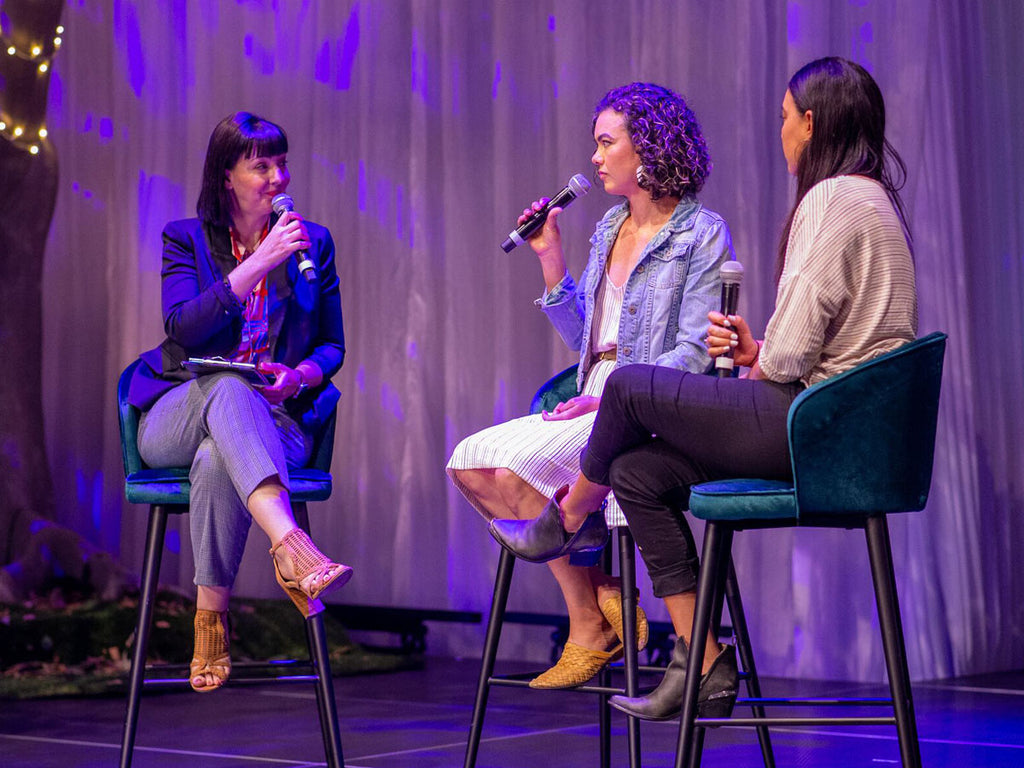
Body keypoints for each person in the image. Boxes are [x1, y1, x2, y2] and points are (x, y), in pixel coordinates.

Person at [491, 57, 918, 719]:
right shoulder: (868, 195)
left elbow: (795, 348)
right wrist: (758, 350)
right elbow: (815, 339)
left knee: (629, 387)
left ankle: (567, 518)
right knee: (636, 471)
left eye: (782, 118)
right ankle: (704, 657)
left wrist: (763, 355)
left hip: (817, 429)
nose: (780, 132)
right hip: (838, 425)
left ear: (810, 122)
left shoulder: (832, 197)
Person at [448, 83, 734, 689]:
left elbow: (695, 352)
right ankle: (599, 594)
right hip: (594, 388)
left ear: (650, 148)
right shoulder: (608, 226)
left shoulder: (699, 234)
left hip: (652, 399)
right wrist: (550, 257)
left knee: (514, 473)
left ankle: (588, 622)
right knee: (469, 463)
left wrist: (615, 393)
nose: (596, 159)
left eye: (607, 144)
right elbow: (587, 338)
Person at [127, 112, 352, 692]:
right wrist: (259, 263)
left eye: (282, 164)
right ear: (227, 175)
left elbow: (332, 345)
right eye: (261, 166)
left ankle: (210, 623)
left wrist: (299, 376)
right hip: (178, 408)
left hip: (275, 418)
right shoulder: (186, 237)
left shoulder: (314, 242)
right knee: (226, 387)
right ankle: (292, 549)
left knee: (214, 458)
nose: (277, 177)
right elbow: (182, 327)